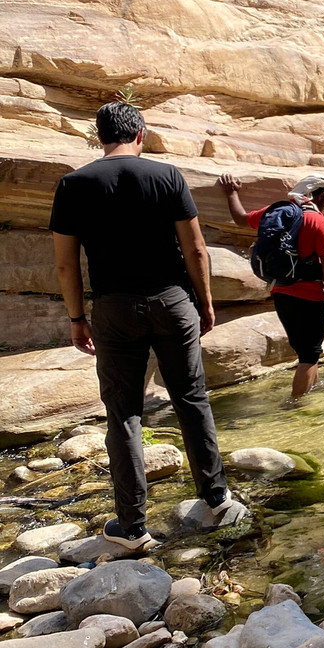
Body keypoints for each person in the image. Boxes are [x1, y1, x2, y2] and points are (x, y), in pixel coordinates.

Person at [50, 102, 243, 551]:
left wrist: (77, 318)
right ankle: (216, 498)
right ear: (141, 132)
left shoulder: (73, 184)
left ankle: (133, 528)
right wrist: (206, 303)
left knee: (124, 412)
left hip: (114, 309)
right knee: (191, 398)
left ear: (100, 137)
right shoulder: (167, 176)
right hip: (172, 302)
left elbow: (65, 265)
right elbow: (195, 249)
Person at [217, 173, 324, 400]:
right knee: (309, 356)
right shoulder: (317, 221)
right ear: (319, 194)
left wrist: (231, 192)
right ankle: (295, 406)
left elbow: (241, 219)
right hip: (311, 297)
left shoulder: (276, 212)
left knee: (307, 351)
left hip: (281, 292)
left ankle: (311, 390)